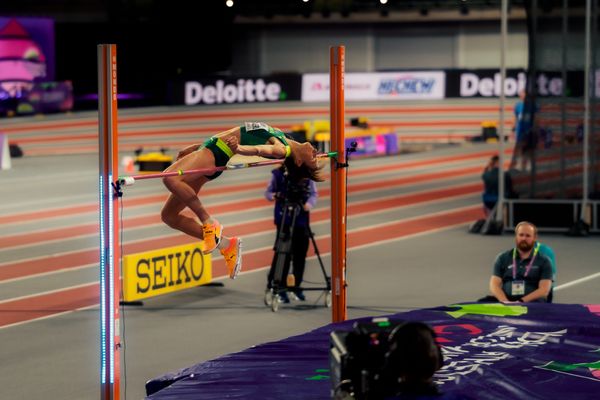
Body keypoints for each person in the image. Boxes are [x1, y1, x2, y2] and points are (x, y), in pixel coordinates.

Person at [160, 122, 324, 280]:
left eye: (314, 160)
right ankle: (226, 245)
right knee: (169, 216)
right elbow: (238, 133)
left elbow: (258, 149)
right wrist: (199, 147)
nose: (316, 155)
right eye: (316, 157)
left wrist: (238, 148)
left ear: (299, 162)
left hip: (217, 153)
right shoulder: (283, 137)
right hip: (212, 149)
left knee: (170, 178)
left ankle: (208, 221)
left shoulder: (281, 149)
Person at [265, 164, 318, 303]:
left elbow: (313, 193)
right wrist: (275, 195)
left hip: (301, 220)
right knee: (283, 254)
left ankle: (296, 285)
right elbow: (268, 193)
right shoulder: (278, 174)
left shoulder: (308, 174)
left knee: (300, 255)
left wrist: (309, 204)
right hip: (284, 220)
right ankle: (278, 285)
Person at [487, 221, 553, 303]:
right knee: (480, 304)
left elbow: (544, 291)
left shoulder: (544, 261)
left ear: (535, 238)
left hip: (531, 303)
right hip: (506, 301)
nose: (524, 238)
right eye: (521, 235)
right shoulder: (502, 258)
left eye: (528, 236)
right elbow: (494, 285)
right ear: (516, 236)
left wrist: (521, 301)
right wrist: (504, 301)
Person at [510, 89, 538, 171]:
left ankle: (529, 165)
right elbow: (515, 117)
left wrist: (535, 128)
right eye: (520, 94)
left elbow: (536, 117)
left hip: (529, 129)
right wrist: (513, 129)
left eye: (523, 93)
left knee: (529, 148)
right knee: (520, 147)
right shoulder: (517, 105)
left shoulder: (532, 105)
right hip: (520, 130)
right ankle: (519, 165)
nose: (521, 95)